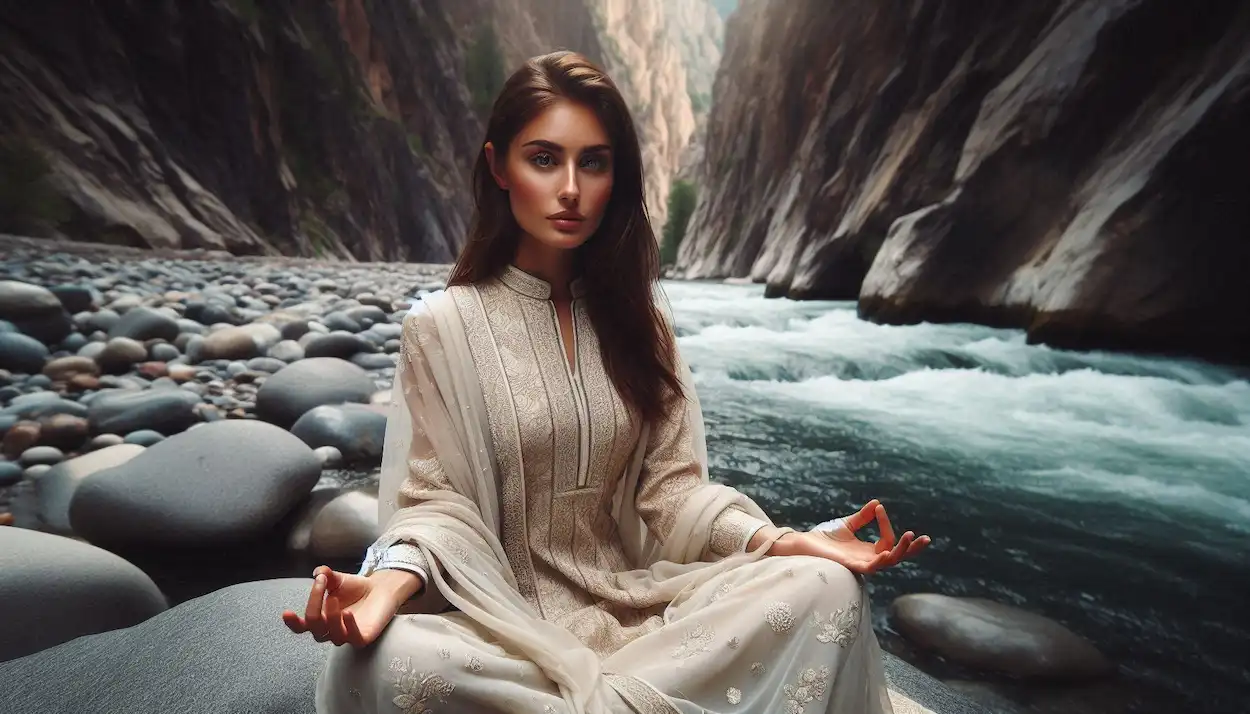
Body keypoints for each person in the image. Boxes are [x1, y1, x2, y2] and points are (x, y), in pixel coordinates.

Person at [282, 50, 930, 714]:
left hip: (639, 606)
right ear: (499, 166)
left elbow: (672, 488)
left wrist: (785, 540)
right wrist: (388, 587)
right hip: (503, 625)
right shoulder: (445, 325)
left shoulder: (641, 322)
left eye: (593, 162)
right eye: (544, 159)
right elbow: (436, 503)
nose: (570, 188)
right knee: (386, 664)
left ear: (614, 177)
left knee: (825, 586)